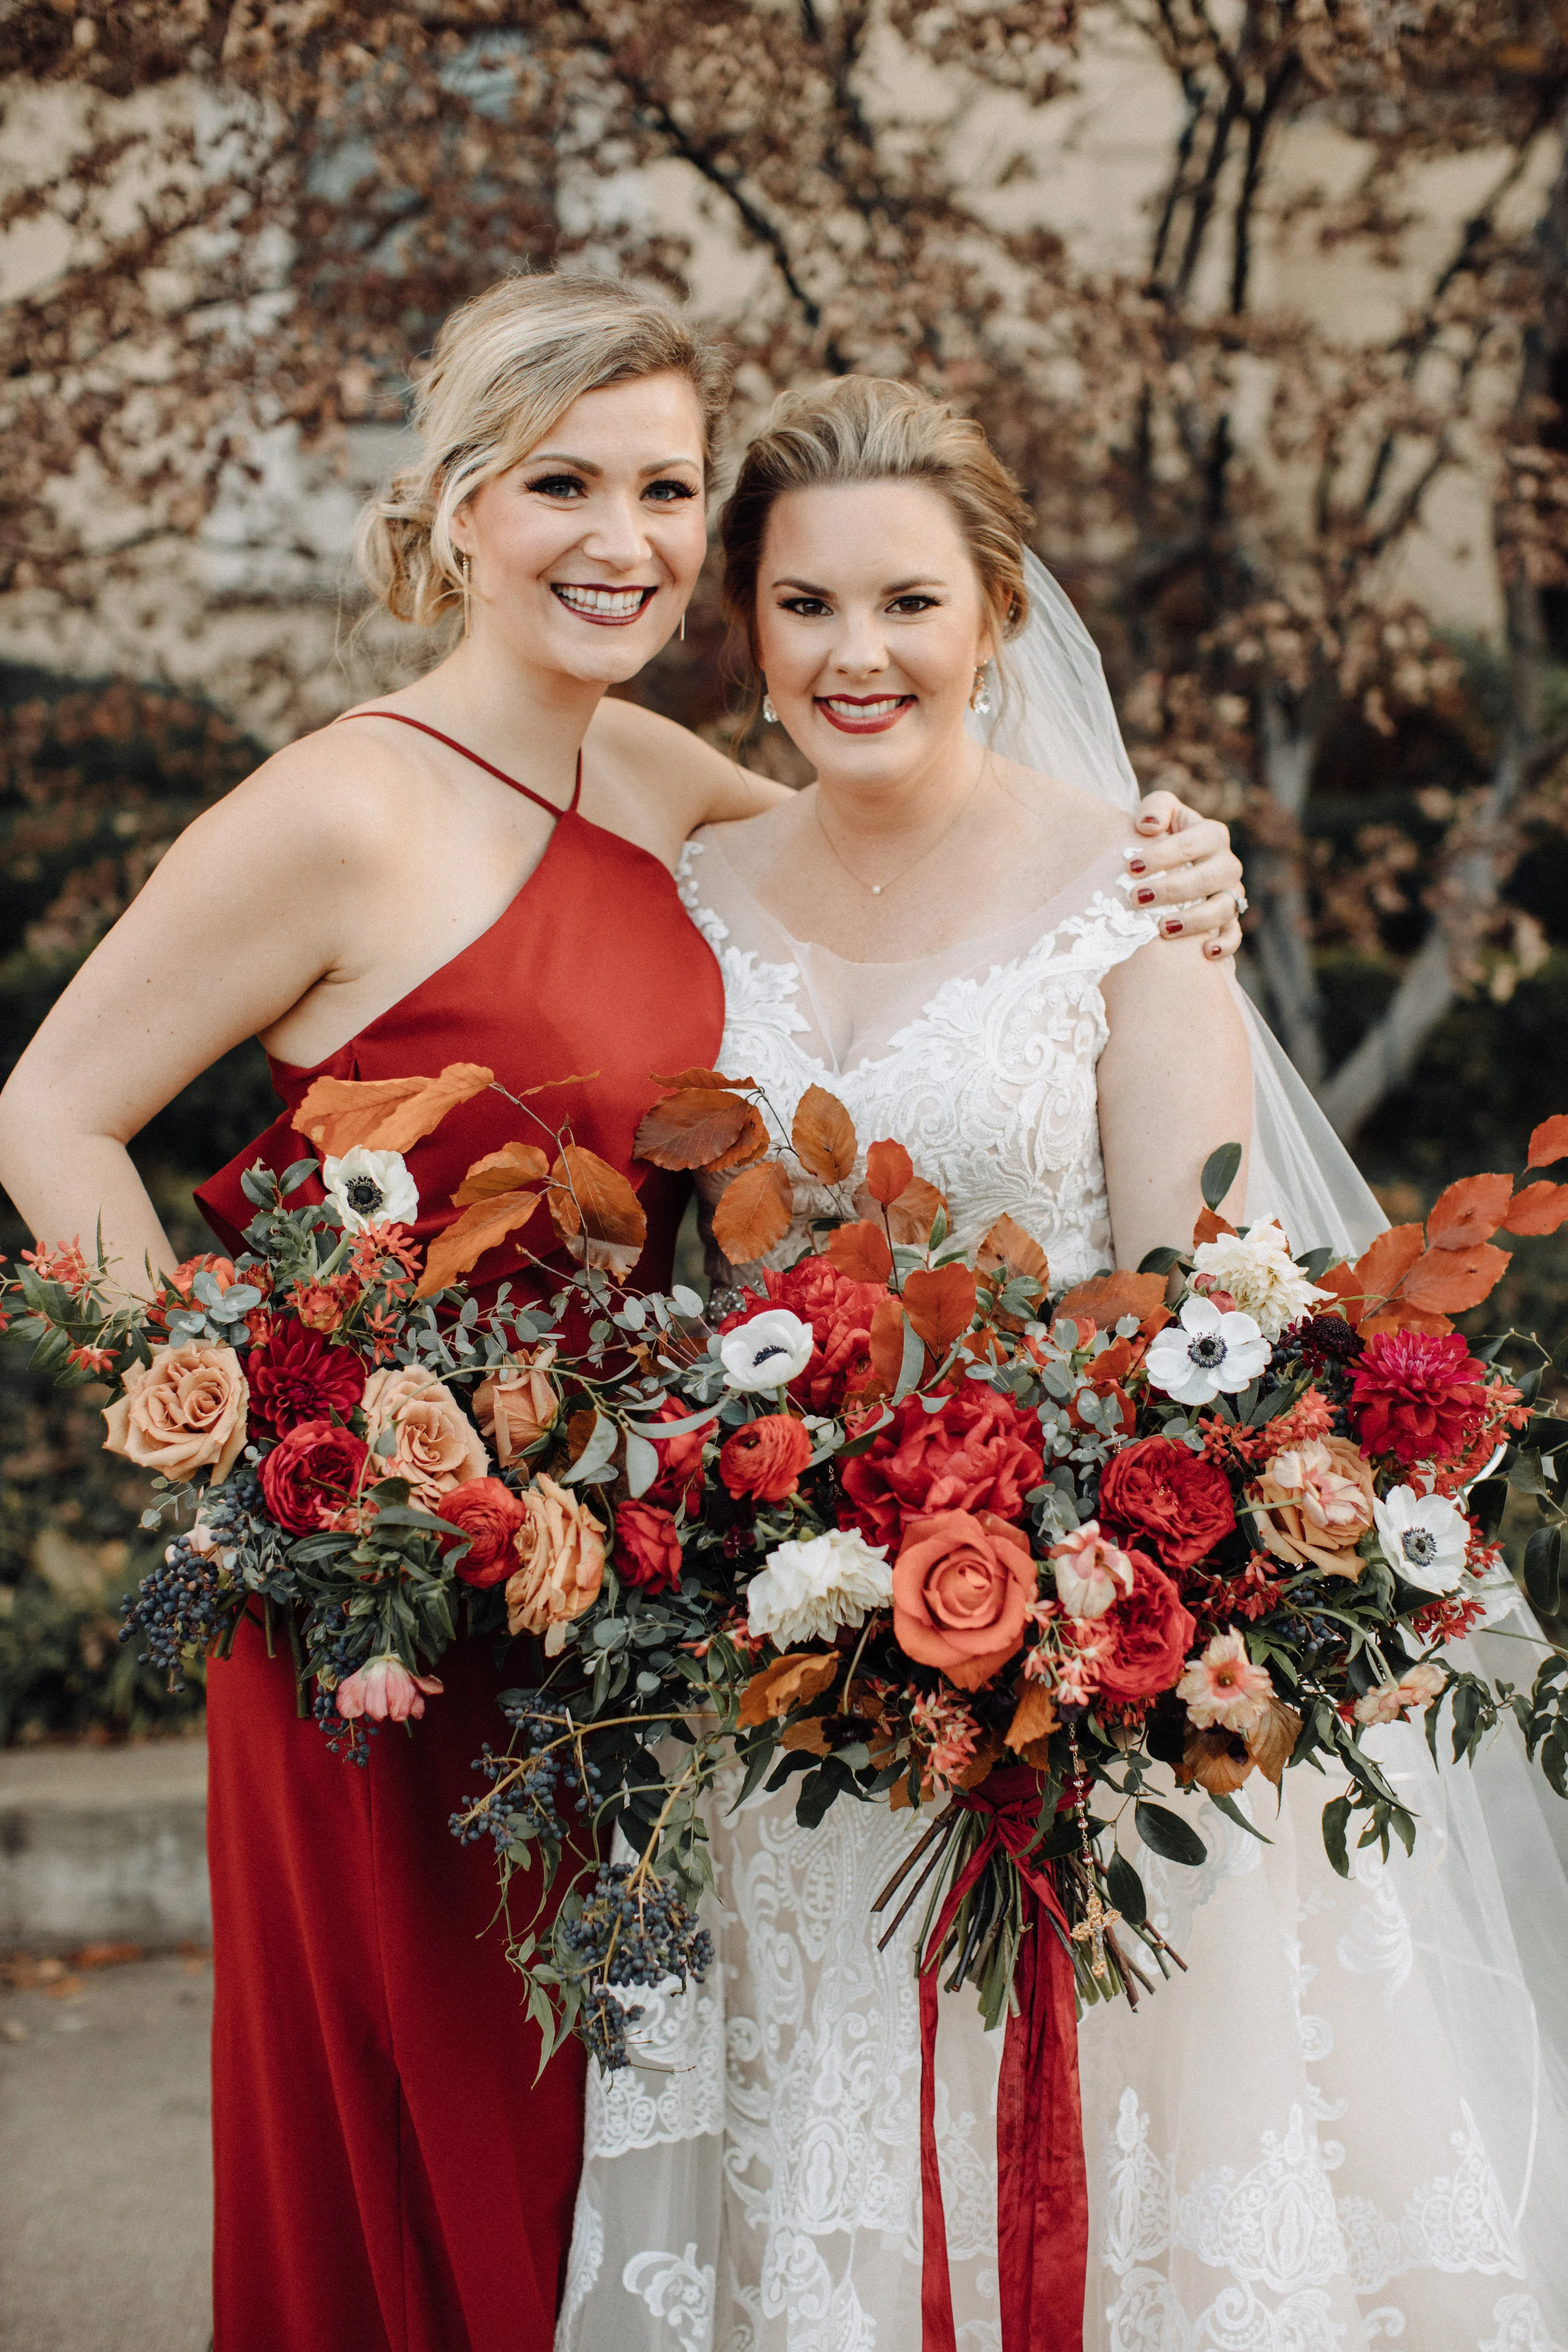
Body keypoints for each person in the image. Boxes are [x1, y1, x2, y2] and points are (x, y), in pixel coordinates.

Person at [0, 277, 1246, 2352]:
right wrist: (260, 1478)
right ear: (458, 504)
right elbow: (44, 1107)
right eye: (562, 480)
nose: (626, 535)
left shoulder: (652, 774)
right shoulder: (343, 804)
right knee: (443, 2172)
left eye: (667, 488)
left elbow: (938, 878)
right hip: (384, 1612)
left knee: (614, 2177)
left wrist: (1158, 865)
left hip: (622, 1591)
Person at [558, 376, 1568, 2352]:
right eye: (806, 606)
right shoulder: (687, 891)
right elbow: (674, 1293)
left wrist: (1079, 1592)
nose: (858, 656)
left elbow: (1214, 1306)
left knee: (1143, 2175)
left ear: (997, 615)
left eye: (908, 604)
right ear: (744, 626)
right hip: (786, 1668)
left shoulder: (1133, 887)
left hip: (1091, 1678)